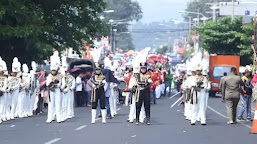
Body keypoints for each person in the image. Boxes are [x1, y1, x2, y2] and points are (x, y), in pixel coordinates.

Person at [46, 51, 62, 123]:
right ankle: (50, 117)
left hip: (57, 90)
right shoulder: (49, 76)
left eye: (54, 71)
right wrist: (51, 84)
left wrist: (57, 85)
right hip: (51, 91)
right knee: (51, 104)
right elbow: (47, 83)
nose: (53, 72)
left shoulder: (59, 76)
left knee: (58, 104)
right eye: (52, 71)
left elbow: (61, 83)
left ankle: (58, 117)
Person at [0, 58, 8, 123]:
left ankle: (1, 116)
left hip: (2, 92)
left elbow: (5, 85)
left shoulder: (4, 78)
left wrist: (2, 90)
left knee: (2, 104)